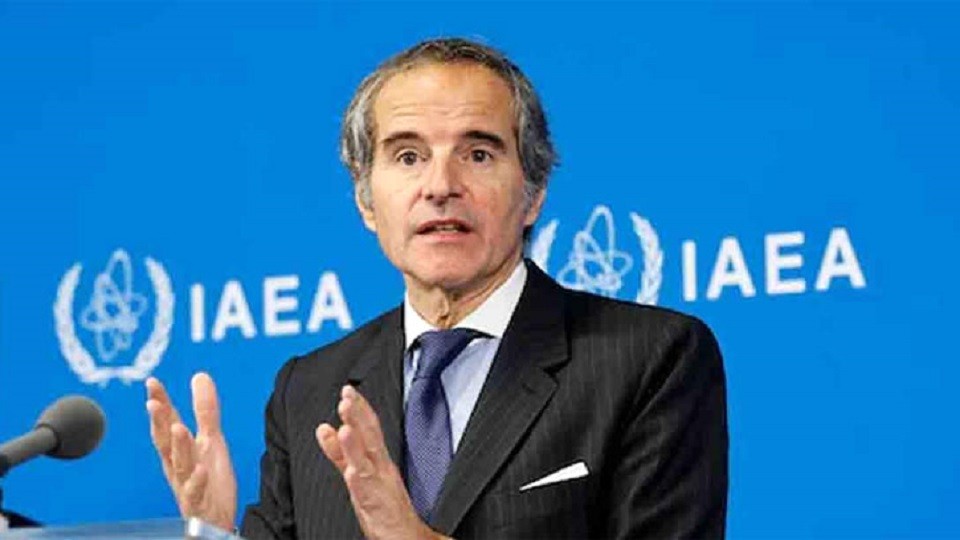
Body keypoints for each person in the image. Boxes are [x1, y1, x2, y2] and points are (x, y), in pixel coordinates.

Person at [146, 37, 728, 539]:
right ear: (366, 201)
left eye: (477, 154)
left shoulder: (648, 358)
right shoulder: (310, 389)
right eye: (407, 156)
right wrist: (212, 532)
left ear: (533, 194)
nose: (440, 185)